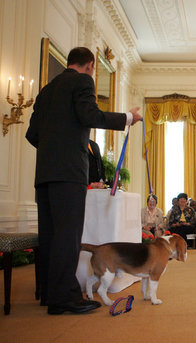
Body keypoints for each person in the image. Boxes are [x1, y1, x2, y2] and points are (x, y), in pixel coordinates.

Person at [25, 47, 142, 315]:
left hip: (45, 173)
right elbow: (90, 115)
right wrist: (127, 118)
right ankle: (64, 298)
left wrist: (53, 150)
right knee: (68, 236)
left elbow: (32, 135)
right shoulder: (81, 81)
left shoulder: (47, 90)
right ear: (90, 65)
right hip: (68, 173)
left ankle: (49, 294)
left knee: (50, 235)